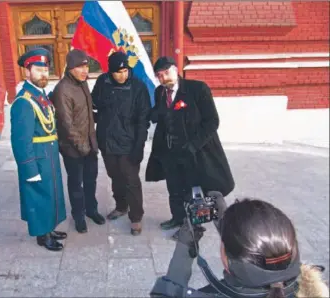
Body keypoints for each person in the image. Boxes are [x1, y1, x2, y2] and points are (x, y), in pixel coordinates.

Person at [151, 195, 329, 297]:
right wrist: (227, 224)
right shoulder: (314, 290)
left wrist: (185, 245)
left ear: (226, 260)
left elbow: (164, 294)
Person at [145, 56, 235, 238]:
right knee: (174, 188)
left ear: (175, 69)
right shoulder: (159, 93)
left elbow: (212, 121)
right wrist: (151, 114)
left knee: (195, 192)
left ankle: (193, 229)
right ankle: (177, 218)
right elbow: (162, 115)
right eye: (159, 76)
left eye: (166, 73)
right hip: (170, 152)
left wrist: (193, 145)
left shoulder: (197, 89)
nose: (164, 79)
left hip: (195, 153)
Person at [10, 48, 67, 251]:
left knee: (50, 194)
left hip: (48, 155)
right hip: (37, 158)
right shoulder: (24, 102)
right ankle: (42, 236)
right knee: (39, 196)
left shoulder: (40, 96)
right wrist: (29, 169)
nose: (43, 74)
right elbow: (20, 140)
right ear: (27, 72)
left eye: (45, 69)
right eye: (38, 69)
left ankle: (49, 228)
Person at [91, 51, 151, 236]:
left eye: (125, 70)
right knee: (115, 176)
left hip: (128, 143)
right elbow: (93, 103)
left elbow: (143, 120)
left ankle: (136, 217)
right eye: (118, 72)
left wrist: (139, 146)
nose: (122, 75)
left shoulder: (138, 87)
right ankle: (121, 205)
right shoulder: (102, 82)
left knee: (131, 180)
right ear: (110, 71)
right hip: (108, 141)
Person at [50, 49, 105, 234]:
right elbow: (67, 124)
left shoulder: (83, 84)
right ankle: (79, 216)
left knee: (91, 181)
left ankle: (92, 210)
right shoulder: (62, 89)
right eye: (80, 66)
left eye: (86, 66)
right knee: (76, 184)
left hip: (89, 144)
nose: (85, 70)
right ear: (70, 68)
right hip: (72, 149)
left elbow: (87, 113)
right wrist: (83, 147)